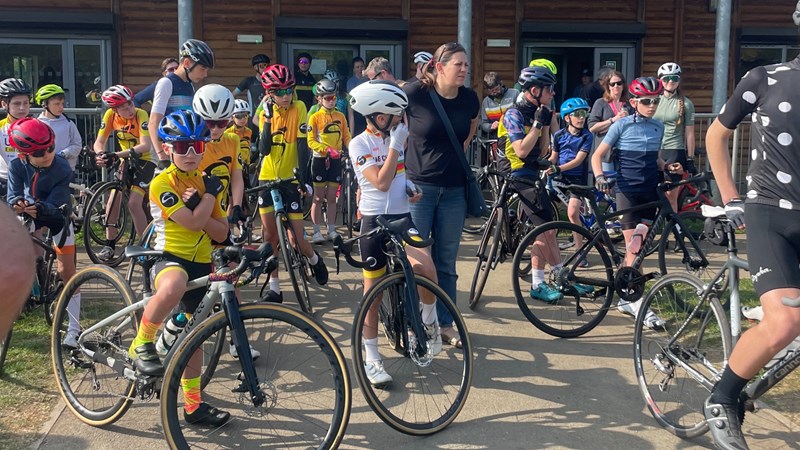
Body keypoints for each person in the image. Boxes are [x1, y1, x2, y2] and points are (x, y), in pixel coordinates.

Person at [702, 9, 800, 447]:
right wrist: (730, 197)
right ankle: (722, 397)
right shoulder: (765, 77)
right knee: (785, 322)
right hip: (769, 212)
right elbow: (715, 135)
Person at [129, 109, 230, 427]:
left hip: (201, 261)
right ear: (168, 148)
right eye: (183, 146)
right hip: (167, 256)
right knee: (174, 284)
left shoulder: (204, 182)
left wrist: (202, 201)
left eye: (197, 146)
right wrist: (208, 197)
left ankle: (193, 406)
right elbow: (194, 223)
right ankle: (142, 341)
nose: (190, 154)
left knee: (194, 339)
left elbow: (221, 233)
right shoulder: (163, 182)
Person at [348, 79, 441, 386]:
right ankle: (372, 357)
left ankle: (428, 324)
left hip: (401, 217)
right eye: (396, 115)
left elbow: (397, 177)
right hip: (374, 222)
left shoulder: (394, 138)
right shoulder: (359, 144)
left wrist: (409, 186)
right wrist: (395, 146)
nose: (401, 121)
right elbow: (381, 182)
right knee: (372, 294)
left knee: (426, 268)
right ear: (378, 116)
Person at [402, 42, 480, 348]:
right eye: (458, 64)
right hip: (418, 190)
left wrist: (456, 150)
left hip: (454, 191)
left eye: (466, 65)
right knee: (417, 262)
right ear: (439, 66)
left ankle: (445, 324)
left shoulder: (469, 99)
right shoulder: (415, 93)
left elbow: (470, 128)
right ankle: (413, 323)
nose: (464, 70)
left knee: (446, 262)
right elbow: (392, 120)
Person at [591, 76, 670, 329]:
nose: (652, 106)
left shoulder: (658, 126)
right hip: (627, 192)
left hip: (649, 192)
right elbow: (597, 156)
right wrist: (600, 177)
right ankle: (639, 304)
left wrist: (668, 167)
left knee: (637, 249)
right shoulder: (621, 125)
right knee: (634, 248)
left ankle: (626, 297)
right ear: (634, 102)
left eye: (655, 101)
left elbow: (655, 159)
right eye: (646, 101)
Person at [6, 117, 81, 348]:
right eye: (39, 152)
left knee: (67, 271)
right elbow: (13, 195)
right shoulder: (16, 166)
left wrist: (39, 209)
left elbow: (58, 202)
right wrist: (17, 203)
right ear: (23, 155)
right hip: (29, 211)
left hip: (57, 214)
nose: (47, 154)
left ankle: (74, 329)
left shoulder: (61, 167)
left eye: (50, 147)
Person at [257, 64, 328, 303]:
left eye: (289, 90)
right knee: (270, 238)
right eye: (279, 92)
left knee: (297, 239)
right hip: (267, 177)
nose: (286, 95)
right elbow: (264, 149)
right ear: (269, 93)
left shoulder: (300, 107)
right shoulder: (264, 112)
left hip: (290, 178)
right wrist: (268, 119)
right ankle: (275, 288)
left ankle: (314, 259)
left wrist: (303, 180)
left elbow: (302, 146)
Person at [497, 67, 566, 302]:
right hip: (515, 172)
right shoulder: (513, 114)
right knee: (546, 229)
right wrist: (537, 124)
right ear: (535, 90)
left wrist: (545, 124)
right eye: (550, 89)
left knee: (548, 229)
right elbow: (521, 150)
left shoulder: (539, 112)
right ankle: (548, 279)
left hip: (531, 171)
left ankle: (551, 278)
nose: (553, 93)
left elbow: (543, 149)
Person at [93, 85, 155, 258]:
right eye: (123, 107)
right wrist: (101, 154)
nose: (130, 109)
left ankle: (144, 248)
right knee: (113, 199)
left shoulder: (141, 114)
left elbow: (145, 146)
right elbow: (99, 142)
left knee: (134, 204)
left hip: (146, 160)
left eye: (130, 103)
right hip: (125, 160)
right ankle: (109, 245)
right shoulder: (110, 115)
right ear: (115, 110)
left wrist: (115, 154)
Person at [148, 39, 214, 167]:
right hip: (168, 151)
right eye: (203, 69)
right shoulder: (166, 82)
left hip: (184, 151)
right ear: (187, 63)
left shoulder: (190, 85)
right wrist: (162, 156)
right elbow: (153, 122)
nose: (205, 74)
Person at [192, 84, 245, 225]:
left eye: (222, 123)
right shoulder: (192, 142)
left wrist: (237, 206)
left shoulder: (233, 140)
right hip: (195, 206)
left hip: (221, 208)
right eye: (209, 124)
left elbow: (236, 177)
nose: (215, 129)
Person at [307, 78, 351, 244]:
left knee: (332, 198)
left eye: (334, 97)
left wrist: (354, 149)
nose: (332, 101)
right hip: (320, 160)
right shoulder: (315, 117)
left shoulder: (341, 116)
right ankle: (316, 231)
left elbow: (346, 137)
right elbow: (310, 141)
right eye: (327, 98)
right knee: (318, 198)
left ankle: (331, 230)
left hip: (336, 160)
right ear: (319, 99)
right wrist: (326, 150)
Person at [548, 97, 593, 254]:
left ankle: (579, 252)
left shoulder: (587, 136)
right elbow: (554, 157)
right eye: (578, 114)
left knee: (573, 213)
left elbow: (578, 160)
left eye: (584, 114)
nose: (582, 118)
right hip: (559, 176)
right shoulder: (558, 135)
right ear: (567, 118)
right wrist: (546, 164)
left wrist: (558, 168)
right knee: (545, 208)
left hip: (577, 178)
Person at [653, 62, 696, 213]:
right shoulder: (654, 101)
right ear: (660, 80)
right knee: (655, 192)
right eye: (666, 78)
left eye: (674, 78)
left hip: (674, 150)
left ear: (679, 80)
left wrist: (690, 158)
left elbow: (690, 133)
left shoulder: (686, 104)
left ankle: (674, 223)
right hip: (654, 149)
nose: (670, 82)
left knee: (671, 195)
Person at [0, 203, 35, 342]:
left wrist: (45, 208)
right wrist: (15, 200)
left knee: (65, 270)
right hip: (23, 211)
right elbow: (13, 192)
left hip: (52, 211)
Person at [587, 69, 634, 166]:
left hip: (625, 153)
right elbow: (592, 127)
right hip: (605, 154)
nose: (616, 86)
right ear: (608, 86)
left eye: (619, 83)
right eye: (612, 84)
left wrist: (629, 119)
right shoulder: (600, 103)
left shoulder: (629, 104)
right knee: (606, 176)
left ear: (623, 85)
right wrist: (613, 120)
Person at [34, 84, 82, 170]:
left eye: (62, 103)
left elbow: (77, 145)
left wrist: (63, 154)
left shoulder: (68, 123)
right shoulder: (37, 124)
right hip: (44, 170)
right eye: (56, 104)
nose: (61, 107)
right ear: (45, 104)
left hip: (66, 169)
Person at [0, 78, 32, 198]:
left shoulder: (38, 127)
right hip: (5, 181)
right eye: (17, 104)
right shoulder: (1, 127)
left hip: (32, 181)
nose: (22, 108)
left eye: (26, 103)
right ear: (4, 104)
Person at [479, 71, 518, 140]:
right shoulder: (486, 102)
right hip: (496, 138)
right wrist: (490, 126)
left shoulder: (514, 94)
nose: (495, 93)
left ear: (501, 83)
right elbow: (483, 123)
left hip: (514, 136)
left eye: (496, 89)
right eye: (491, 91)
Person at [347, 57, 369, 137]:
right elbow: (350, 105)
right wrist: (351, 135)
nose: (360, 69)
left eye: (362, 66)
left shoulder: (369, 80)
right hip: (357, 114)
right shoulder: (351, 82)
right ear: (354, 70)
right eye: (357, 67)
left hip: (369, 112)